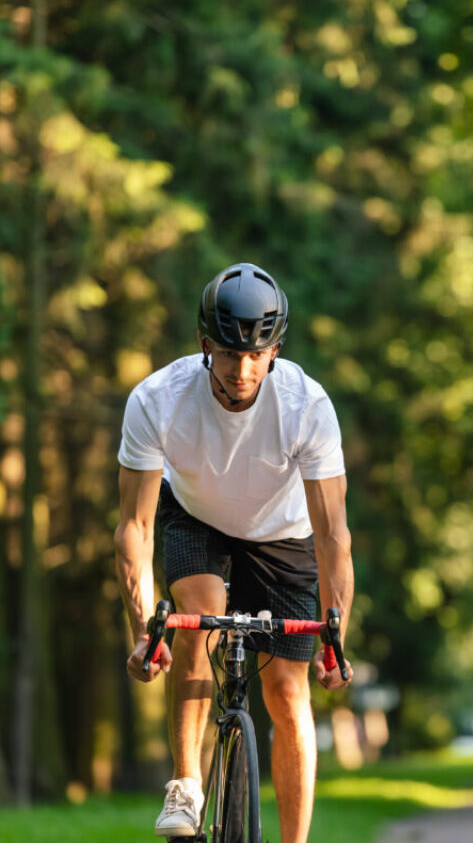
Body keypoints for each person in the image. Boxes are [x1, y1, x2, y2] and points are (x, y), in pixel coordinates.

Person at [114, 262, 354, 843]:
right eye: (227, 354)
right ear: (205, 345)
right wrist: (145, 631)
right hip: (195, 516)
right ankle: (186, 785)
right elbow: (135, 527)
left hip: (284, 532)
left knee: (287, 691)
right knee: (197, 620)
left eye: (255, 355)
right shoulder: (157, 399)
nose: (241, 371)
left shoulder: (307, 407)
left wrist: (335, 638)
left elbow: (333, 536)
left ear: (276, 351)